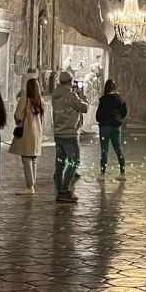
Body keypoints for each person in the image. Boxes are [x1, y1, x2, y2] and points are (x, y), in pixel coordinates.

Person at [51, 71, 89, 203]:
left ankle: (59, 190)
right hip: (70, 134)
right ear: (71, 81)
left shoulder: (55, 95)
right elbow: (84, 108)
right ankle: (64, 190)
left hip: (58, 134)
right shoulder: (71, 95)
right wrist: (83, 96)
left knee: (60, 163)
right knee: (74, 162)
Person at [9, 78, 45, 195]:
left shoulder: (25, 100)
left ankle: (29, 186)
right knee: (33, 159)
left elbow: (18, 116)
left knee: (26, 159)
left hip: (27, 132)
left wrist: (17, 119)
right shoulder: (41, 101)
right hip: (37, 133)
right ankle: (32, 184)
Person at [96, 79, 127, 181]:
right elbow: (124, 113)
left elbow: (98, 115)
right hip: (116, 126)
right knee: (118, 149)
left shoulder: (103, 99)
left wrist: (102, 120)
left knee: (104, 151)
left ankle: (102, 174)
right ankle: (122, 173)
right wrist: (117, 118)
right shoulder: (121, 98)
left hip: (104, 127)